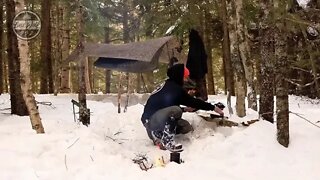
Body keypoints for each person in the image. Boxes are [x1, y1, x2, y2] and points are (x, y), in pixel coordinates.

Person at [141, 63, 224, 152]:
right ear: (178, 76)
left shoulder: (169, 85)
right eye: (184, 77)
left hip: (156, 120)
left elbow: (164, 105)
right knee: (176, 111)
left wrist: (185, 109)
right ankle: (167, 141)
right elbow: (193, 102)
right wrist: (213, 108)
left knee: (185, 127)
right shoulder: (174, 88)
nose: (185, 80)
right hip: (151, 121)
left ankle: (158, 135)